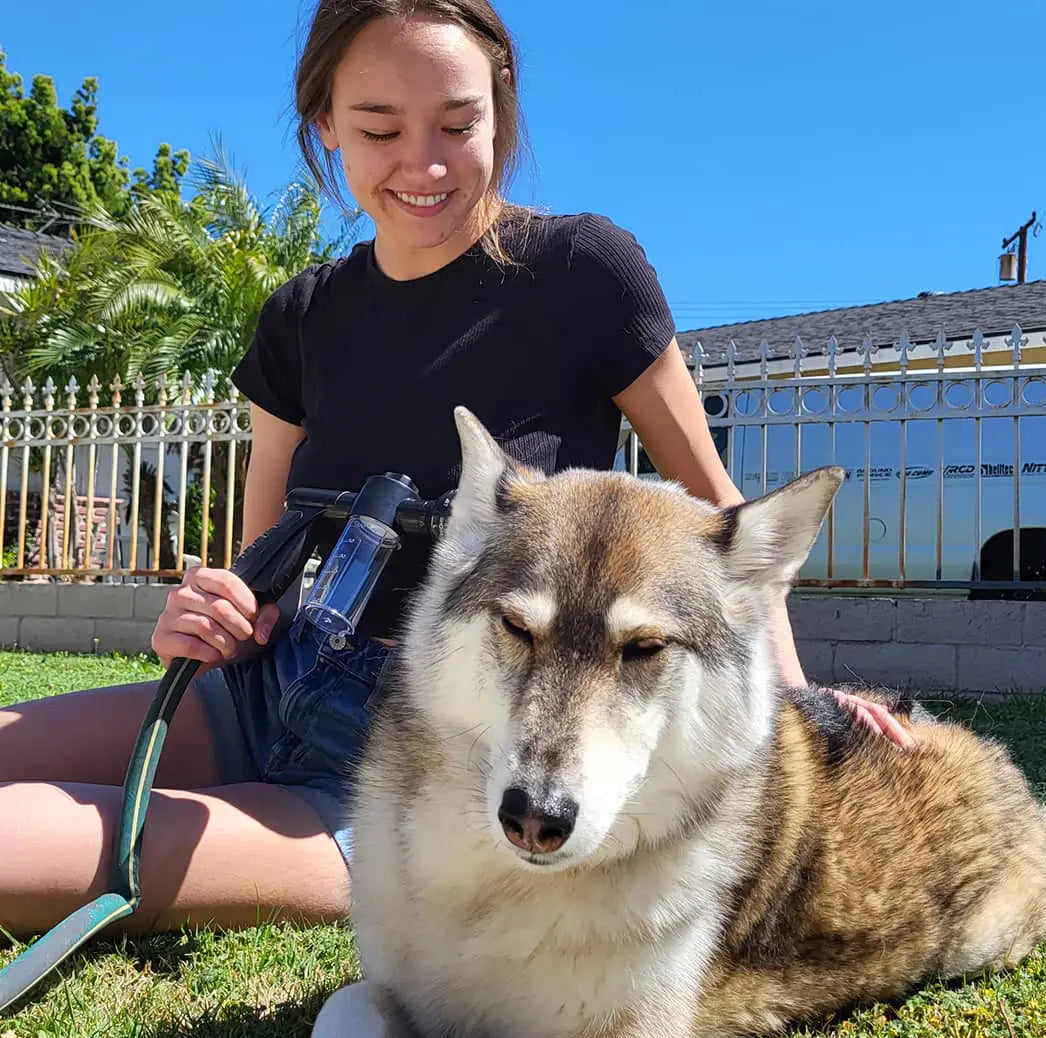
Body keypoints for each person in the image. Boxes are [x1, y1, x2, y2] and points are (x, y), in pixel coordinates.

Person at [0, 0, 915, 941]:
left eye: (457, 123)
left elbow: (722, 516)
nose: (423, 164)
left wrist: (796, 702)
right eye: (379, 128)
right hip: (264, 689)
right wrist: (219, 611)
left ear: (501, 107)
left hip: (430, 760)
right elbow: (257, 561)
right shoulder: (301, 316)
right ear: (324, 128)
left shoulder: (585, 274)